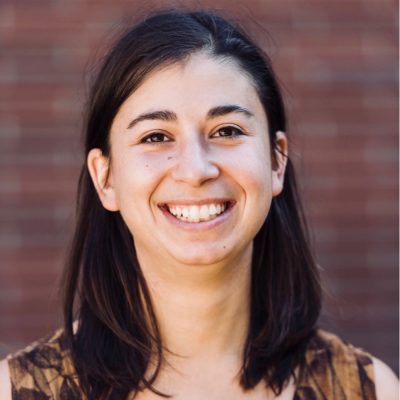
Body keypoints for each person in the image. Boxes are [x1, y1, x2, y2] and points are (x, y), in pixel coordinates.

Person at [0, 8, 398, 400]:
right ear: (105, 178)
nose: (195, 170)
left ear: (277, 161)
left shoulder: (368, 390)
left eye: (226, 130)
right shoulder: (16, 390)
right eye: (156, 137)